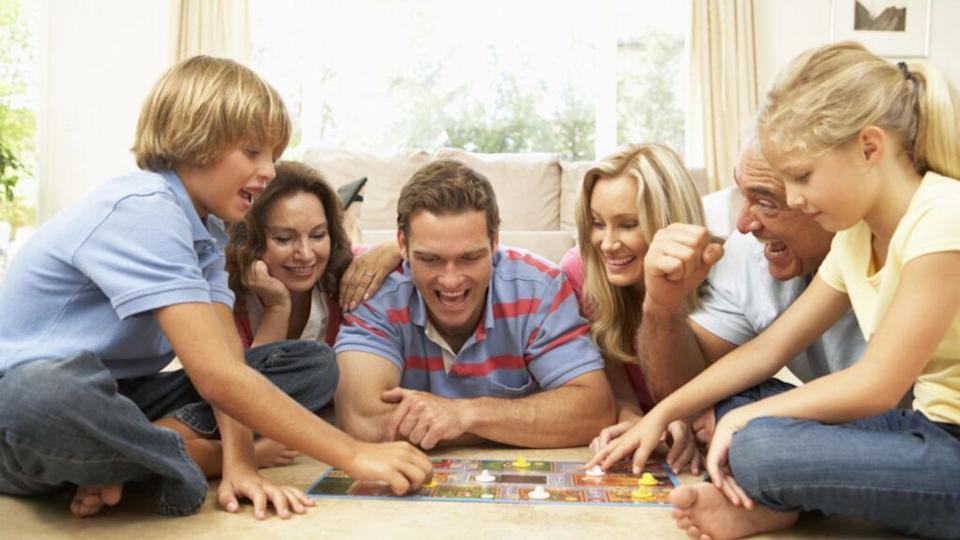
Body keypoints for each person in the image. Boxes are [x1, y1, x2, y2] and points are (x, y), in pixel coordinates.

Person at [0, 56, 431, 520]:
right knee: (47, 394)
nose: (268, 171)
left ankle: (125, 459)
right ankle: (184, 458)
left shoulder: (207, 235)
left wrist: (241, 464)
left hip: (121, 399)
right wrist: (352, 454)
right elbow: (215, 378)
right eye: (252, 152)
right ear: (196, 142)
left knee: (310, 365)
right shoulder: (143, 208)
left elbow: (231, 365)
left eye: (273, 155)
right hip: (23, 410)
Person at [590, 41, 960, 539]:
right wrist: (660, 415)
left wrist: (744, 424)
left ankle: (776, 499)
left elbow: (877, 386)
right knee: (737, 406)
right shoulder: (857, 236)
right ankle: (774, 503)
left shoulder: (944, 218)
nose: (797, 199)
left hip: (948, 446)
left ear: (870, 148)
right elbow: (770, 349)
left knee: (759, 443)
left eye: (802, 177)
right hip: (924, 429)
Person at [334, 159, 616, 449]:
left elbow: (594, 411)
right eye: (431, 259)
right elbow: (363, 422)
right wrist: (519, 423)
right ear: (402, 245)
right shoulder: (374, 291)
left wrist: (464, 414)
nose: (451, 280)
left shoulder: (539, 289)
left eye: (470, 258)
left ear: (495, 242)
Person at [559, 143, 704, 472]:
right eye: (597, 223)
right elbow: (607, 370)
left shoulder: (721, 272)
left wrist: (681, 417)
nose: (607, 244)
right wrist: (630, 415)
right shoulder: (580, 270)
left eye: (627, 224)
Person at [226, 161, 397, 350]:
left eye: (318, 235)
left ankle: (349, 219)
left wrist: (396, 246)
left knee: (350, 239)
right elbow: (251, 377)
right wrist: (277, 308)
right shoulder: (224, 298)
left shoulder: (345, 266)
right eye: (284, 238)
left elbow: (415, 247)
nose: (306, 255)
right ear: (249, 241)